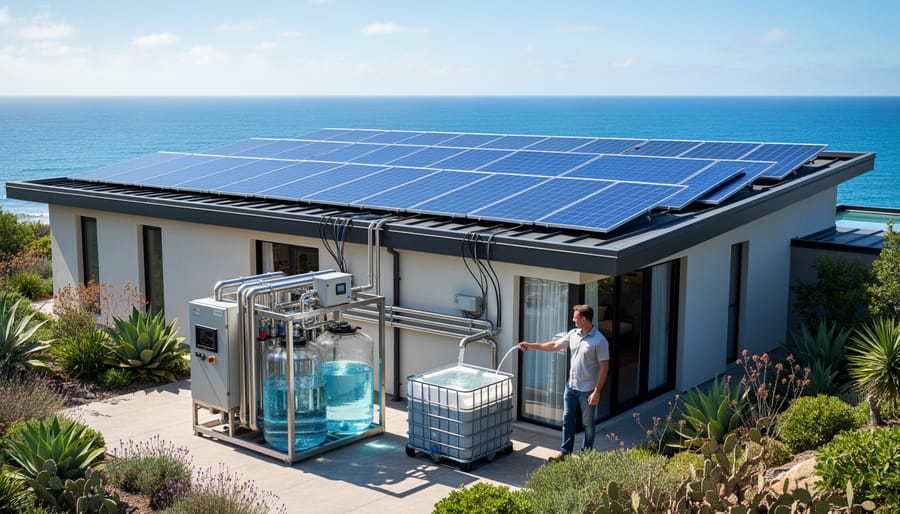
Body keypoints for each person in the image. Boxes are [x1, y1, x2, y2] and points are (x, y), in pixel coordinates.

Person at [518, 304, 609, 462]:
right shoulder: (573, 334)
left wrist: (597, 392)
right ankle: (565, 453)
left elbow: (604, 368)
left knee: (588, 425)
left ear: (584, 319)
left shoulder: (599, 341)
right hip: (571, 387)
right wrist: (530, 346)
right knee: (567, 419)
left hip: (587, 390)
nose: (573, 320)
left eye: (575, 317)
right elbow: (554, 345)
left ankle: (586, 455)